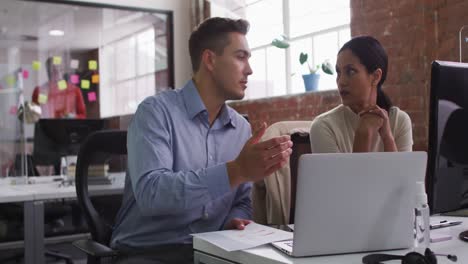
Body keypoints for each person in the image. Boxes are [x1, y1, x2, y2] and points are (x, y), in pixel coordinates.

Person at [110, 17, 293, 264]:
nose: (249, 69)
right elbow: (152, 194)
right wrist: (236, 170)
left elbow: (241, 200)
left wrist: (233, 218)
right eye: (241, 57)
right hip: (148, 253)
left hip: (212, 252)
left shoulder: (240, 128)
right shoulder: (155, 112)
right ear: (210, 59)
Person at [309, 36, 413, 153]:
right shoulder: (324, 126)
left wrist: (387, 137)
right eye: (338, 72)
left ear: (375, 77)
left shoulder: (399, 121)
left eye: (350, 71)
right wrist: (363, 134)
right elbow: (350, 172)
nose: (341, 81)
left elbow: (401, 171)